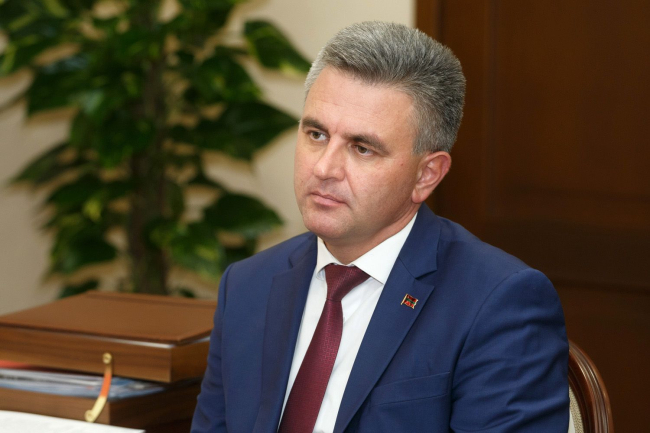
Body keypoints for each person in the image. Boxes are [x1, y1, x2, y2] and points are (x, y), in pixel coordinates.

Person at [191, 21, 569, 433]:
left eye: (362, 148)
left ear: (426, 175)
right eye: (316, 134)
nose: (324, 168)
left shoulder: (498, 304)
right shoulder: (247, 286)